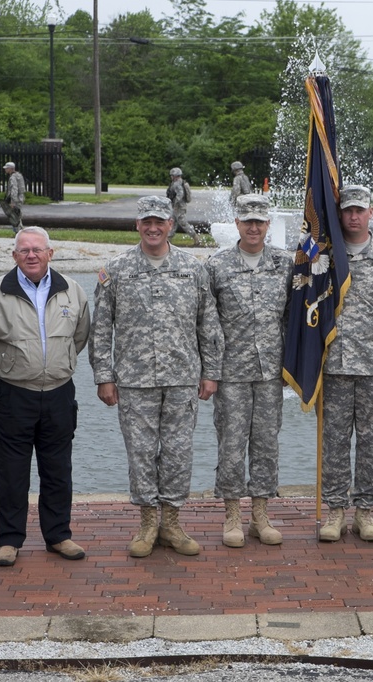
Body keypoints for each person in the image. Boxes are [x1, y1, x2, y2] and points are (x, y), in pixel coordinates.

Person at [89, 196, 223, 558]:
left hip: (182, 378)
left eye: (159, 222)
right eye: (146, 221)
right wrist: (104, 375)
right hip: (134, 379)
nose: (153, 227)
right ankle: (148, 522)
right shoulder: (116, 269)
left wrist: (211, 372)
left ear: (170, 225)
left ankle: (172, 523)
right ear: (137, 225)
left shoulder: (192, 268)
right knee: (141, 453)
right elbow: (101, 328)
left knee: (179, 453)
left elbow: (207, 325)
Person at [0, 227, 91, 566]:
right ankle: (9, 540)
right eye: (24, 250)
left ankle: (59, 535)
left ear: (50, 253)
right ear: (14, 255)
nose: (31, 255)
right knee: (11, 471)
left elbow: (80, 336)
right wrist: (12, 366)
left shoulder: (72, 291)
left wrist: (57, 365)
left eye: (37, 249)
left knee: (58, 469)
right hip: (13, 394)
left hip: (59, 393)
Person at [205, 194, 293, 548]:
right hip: (232, 373)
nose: (253, 227)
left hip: (271, 372)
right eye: (247, 221)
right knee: (231, 445)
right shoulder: (217, 266)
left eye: (260, 221)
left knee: (267, 444)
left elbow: (296, 320)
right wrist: (209, 371)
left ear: (268, 225)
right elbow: (208, 324)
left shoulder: (285, 266)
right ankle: (232, 515)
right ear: (237, 224)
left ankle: (260, 514)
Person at [319, 185, 373, 543]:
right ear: (339, 214)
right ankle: (335, 511)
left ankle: (365, 512)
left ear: (371, 213)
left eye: (360, 210)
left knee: (371, 443)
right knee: (334, 442)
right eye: (347, 210)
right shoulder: (323, 255)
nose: (353, 216)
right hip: (333, 366)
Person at [166, 167, 198, 243]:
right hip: (178, 206)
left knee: (183, 223)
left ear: (175, 176)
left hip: (179, 207)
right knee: (172, 222)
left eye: (172, 175)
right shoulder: (180, 182)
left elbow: (180, 194)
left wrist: (175, 203)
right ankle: (168, 240)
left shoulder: (177, 184)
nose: (171, 177)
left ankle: (195, 237)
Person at [1, 162, 26, 233]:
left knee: (14, 217)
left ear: (10, 169)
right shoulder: (19, 175)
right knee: (18, 216)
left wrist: (13, 202)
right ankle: (20, 231)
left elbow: (14, 189)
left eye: (6, 168)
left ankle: (18, 233)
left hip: (16, 199)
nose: (5, 170)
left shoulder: (13, 177)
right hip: (20, 198)